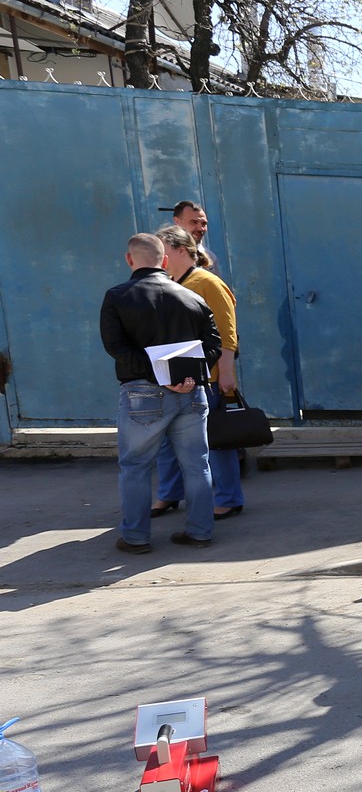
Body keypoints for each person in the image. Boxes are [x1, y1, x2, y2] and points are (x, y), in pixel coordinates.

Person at [100, 233, 220, 554]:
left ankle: (136, 538)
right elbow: (213, 345)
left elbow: (116, 347)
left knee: (136, 467)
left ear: (129, 259)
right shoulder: (192, 297)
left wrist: (161, 375)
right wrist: (186, 376)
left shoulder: (117, 296)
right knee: (197, 464)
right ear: (164, 261)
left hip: (142, 393)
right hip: (191, 392)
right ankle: (200, 532)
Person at [150, 225, 244, 521]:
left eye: (164, 251)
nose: (160, 258)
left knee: (215, 440)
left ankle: (229, 498)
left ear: (181, 250)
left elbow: (228, 334)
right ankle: (169, 494)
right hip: (174, 374)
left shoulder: (207, 282)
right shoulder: (169, 282)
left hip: (210, 375)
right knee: (167, 440)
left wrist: (226, 372)